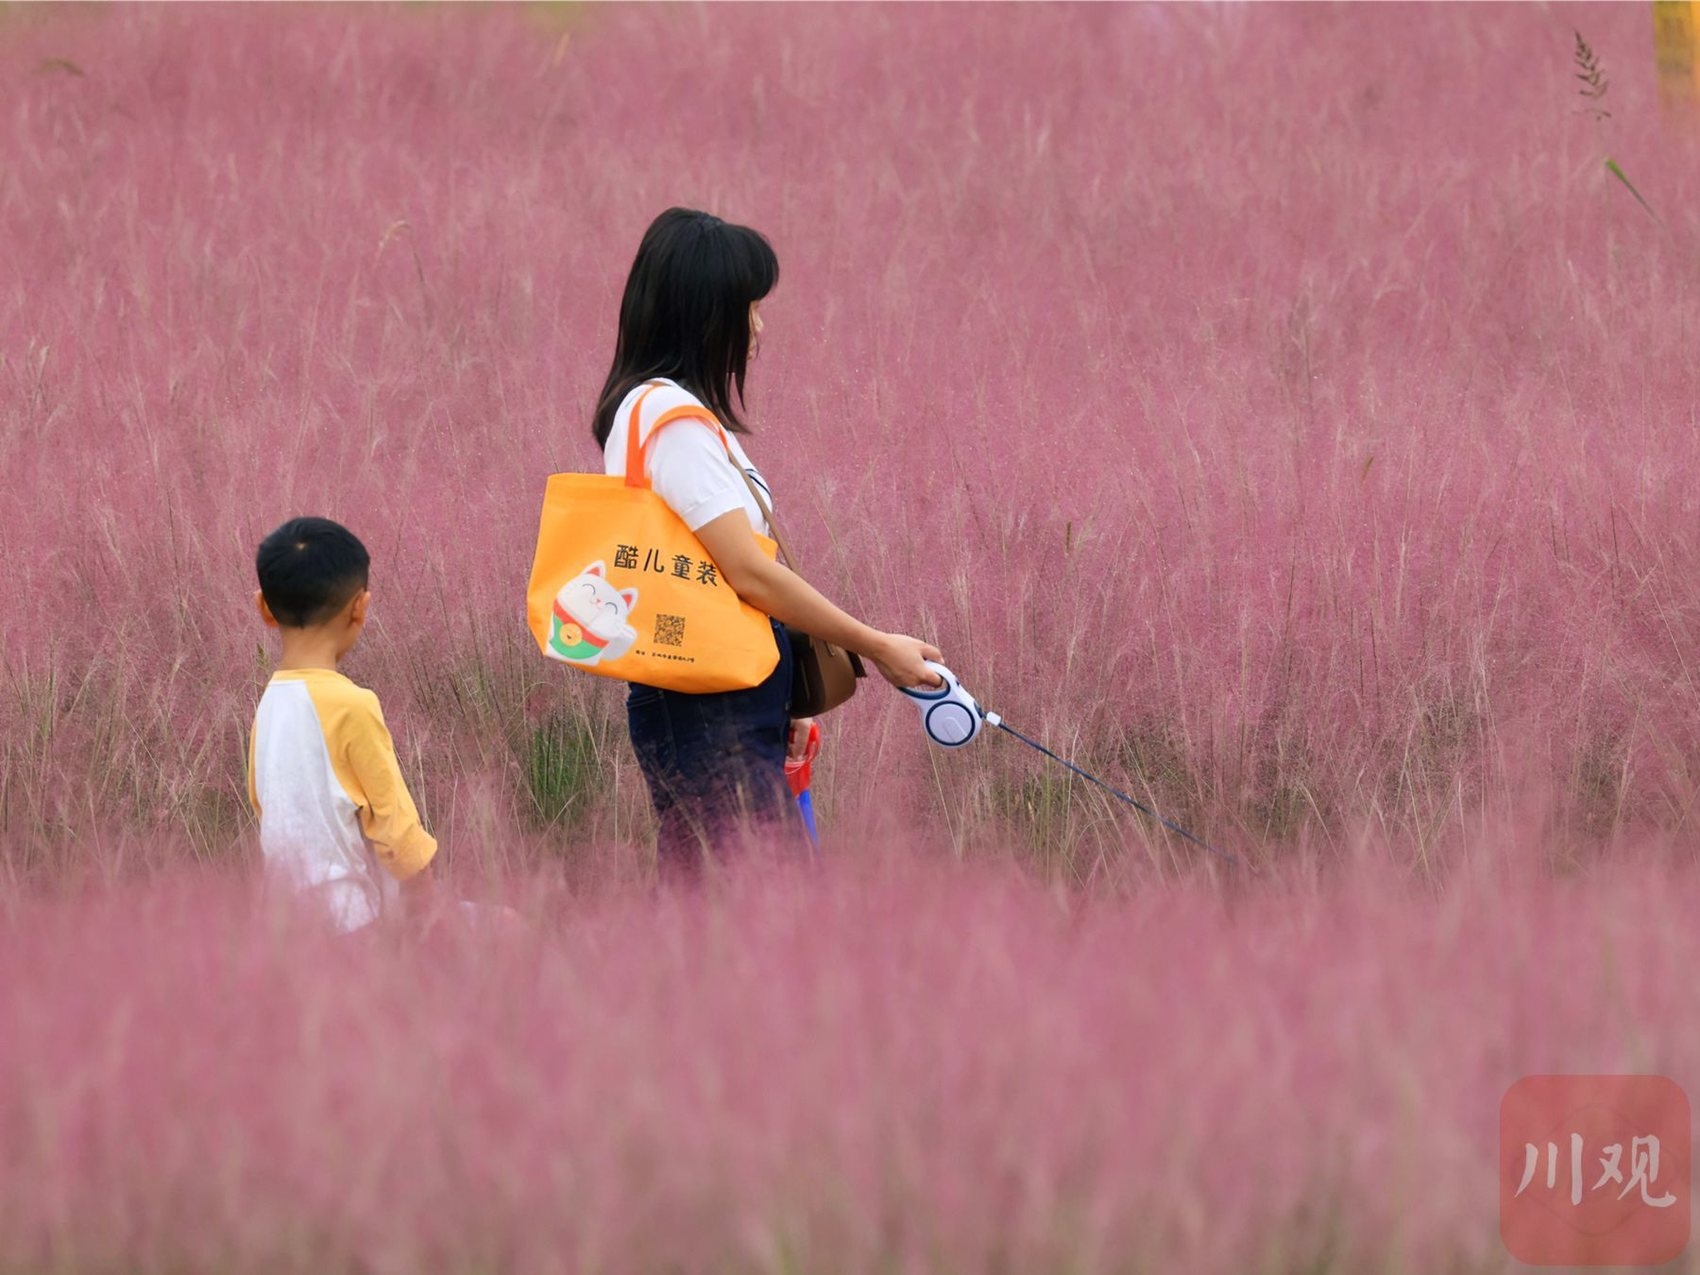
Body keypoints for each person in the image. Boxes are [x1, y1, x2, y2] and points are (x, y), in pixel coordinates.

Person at [592, 207, 944, 881]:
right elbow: (750, 574)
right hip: (707, 715)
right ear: (704, 317)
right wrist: (878, 646)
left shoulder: (659, 414)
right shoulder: (674, 426)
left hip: (717, 705)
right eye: (746, 310)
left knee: (732, 917)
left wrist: (771, 706)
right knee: (754, 925)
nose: (758, 329)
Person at [247, 517, 437, 931]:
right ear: (360, 607)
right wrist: (427, 907)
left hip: (281, 926)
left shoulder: (268, 704)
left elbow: (264, 805)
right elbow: (396, 827)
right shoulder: (352, 705)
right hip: (349, 924)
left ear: (263, 607)